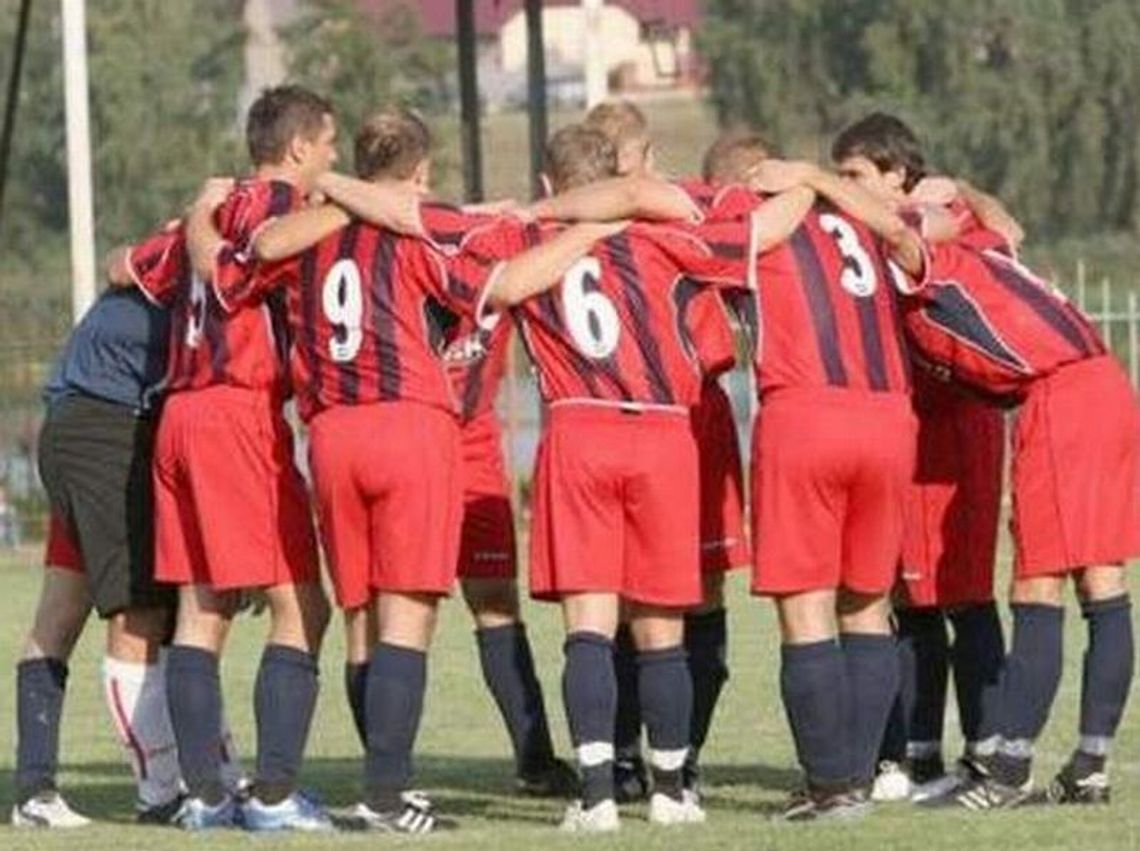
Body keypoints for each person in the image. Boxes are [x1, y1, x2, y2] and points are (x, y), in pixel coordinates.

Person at [238, 106, 622, 833]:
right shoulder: (417, 231)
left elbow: (261, 248)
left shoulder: (306, 240)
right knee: (409, 616)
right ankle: (388, 796)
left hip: (331, 433)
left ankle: (382, 780)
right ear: (420, 172)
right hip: (410, 424)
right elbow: (502, 286)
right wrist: (590, 230)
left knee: (362, 620)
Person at [465, 123, 813, 832]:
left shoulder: (528, 238)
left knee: (588, 627)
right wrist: (812, 181)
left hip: (579, 427)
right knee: (661, 629)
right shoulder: (666, 238)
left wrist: (521, 215)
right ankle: (671, 789)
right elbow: (768, 230)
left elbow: (477, 267)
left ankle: (595, 796)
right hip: (662, 431)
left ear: (547, 186)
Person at [831, 111, 1139, 809]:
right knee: (1103, 583)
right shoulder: (968, 226)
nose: (842, 188)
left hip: (1060, 396)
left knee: (1037, 588)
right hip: (1103, 383)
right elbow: (1007, 228)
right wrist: (959, 189)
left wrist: (821, 184)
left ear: (896, 177)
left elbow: (912, 231)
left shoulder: (919, 237)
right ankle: (1088, 763)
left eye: (853, 175)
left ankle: (1005, 771)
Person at [122, 85, 338, 831]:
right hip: (235, 414)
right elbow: (238, 272)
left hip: (178, 412)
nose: (333, 159)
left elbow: (131, 269)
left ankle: (208, 797)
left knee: (202, 608)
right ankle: (273, 797)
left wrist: (197, 217)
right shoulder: (278, 211)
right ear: (301, 147)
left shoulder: (205, 211)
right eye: (329, 144)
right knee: (302, 603)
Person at [12, 221, 239, 828]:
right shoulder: (201, 247)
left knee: (61, 613)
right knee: (141, 614)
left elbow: (122, 262)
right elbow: (123, 264)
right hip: (105, 428)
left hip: (91, 424)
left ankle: (34, 789)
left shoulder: (194, 245)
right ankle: (159, 792)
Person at [727, 135, 925, 821]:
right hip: (891, 416)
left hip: (806, 412)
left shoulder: (755, 214)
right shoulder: (867, 217)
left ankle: (831, 786)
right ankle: (857, 776)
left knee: (806, 606)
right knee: (867, 603)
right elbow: (922, 226)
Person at [584, 102, 750, 804]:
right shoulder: (663, 220)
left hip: (647, 420)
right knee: (674, 596)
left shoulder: (578, 222)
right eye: (647, 160)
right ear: (631, 163)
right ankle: (665, 762)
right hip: (677, 420)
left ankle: (644, 757)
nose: (658, 174)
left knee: (633, 599)